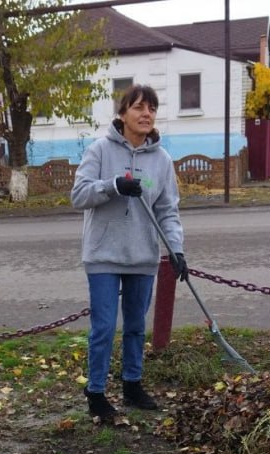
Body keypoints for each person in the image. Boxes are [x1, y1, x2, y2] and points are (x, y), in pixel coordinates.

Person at [71, 84, 188, 422]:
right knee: (105, 327)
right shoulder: (100, 151)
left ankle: (132, 385)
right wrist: (113, 186)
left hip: (142, 256)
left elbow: (168, 210)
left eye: (151, 108)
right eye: (138, 107)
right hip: (103, 255)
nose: (146, 114)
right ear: (122, 114)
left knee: (136, 325)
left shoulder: (162, 160)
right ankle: (95, 392)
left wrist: (176, 250)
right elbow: (78, 196)